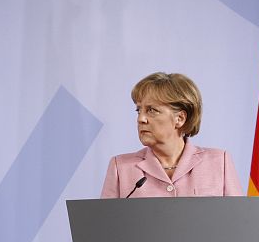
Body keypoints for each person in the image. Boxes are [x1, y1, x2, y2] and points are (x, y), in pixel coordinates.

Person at [101, 72, 241, 198]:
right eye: (139, 110)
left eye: (151, 110)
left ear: (180, 118)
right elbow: (105, 225)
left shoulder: (219, 162)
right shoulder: (121, 167)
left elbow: (237, 221)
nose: (141, 119)